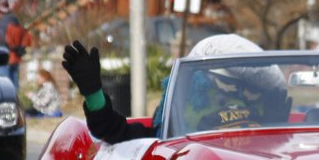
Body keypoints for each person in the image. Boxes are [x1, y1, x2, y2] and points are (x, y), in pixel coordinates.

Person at [62, 33, 291, 144]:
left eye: (247, 91)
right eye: (226, 87)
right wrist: (93, 93)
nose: (232, 99)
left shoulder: (264, 122)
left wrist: (275, 125)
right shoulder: (172, 130)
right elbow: (114, 131)